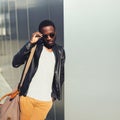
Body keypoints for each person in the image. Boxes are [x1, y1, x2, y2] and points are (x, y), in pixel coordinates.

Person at [12, 20, 65, 120]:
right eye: (45, 36)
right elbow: (15, 63)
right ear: (41, 35)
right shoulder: (35, 47)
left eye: (51, 34)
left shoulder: (60, 51)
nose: (49, 38)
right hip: (28, 98)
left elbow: (60, 75)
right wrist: (30, 43)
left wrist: (53, 96)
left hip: (45, 101)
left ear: (55, 33)